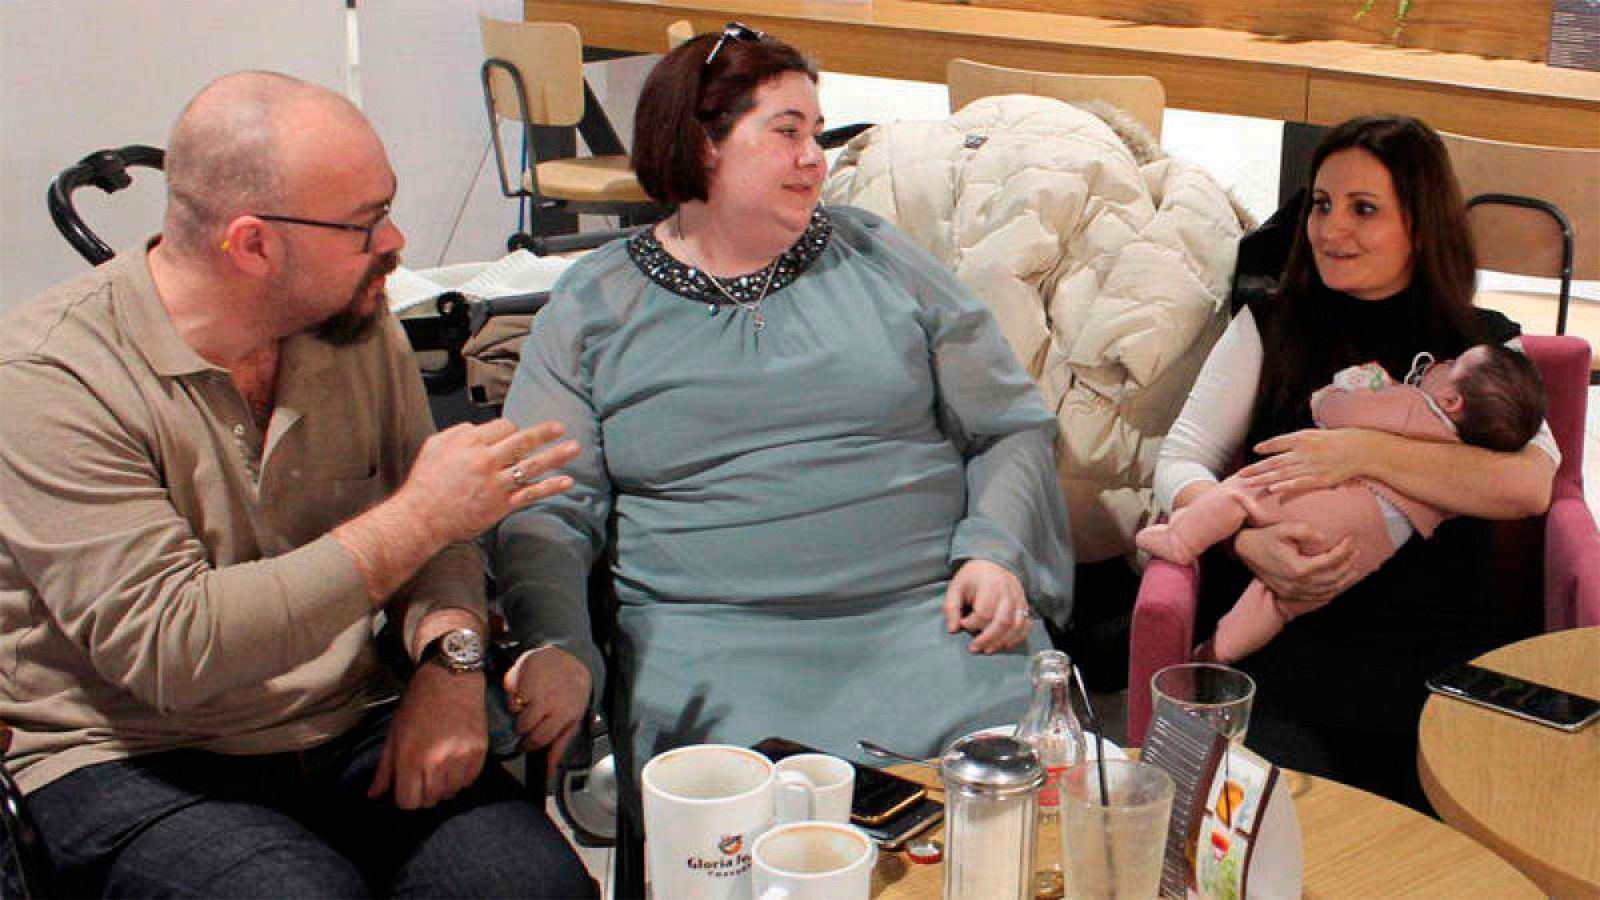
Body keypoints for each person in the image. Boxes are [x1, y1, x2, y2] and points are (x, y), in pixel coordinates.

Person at [0, 72, 595, 898]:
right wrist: (420, 518)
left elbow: (440, 529)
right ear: (252, 245)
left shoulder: (352, 323)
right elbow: (177, 649)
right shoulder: (50, 378)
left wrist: (451, 663)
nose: (395, 239)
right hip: (133, 748)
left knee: (530, 886)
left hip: (341, 718)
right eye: (364, 222)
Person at [494, 25, 1074, 788]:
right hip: (713, 645)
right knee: (761, 820)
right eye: (787, 132)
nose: (815, 158)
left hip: (931, 621)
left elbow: (1010, 426)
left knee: (1018, 805)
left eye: (817, 134)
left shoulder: (879, 256)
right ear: (702, 144)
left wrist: (995, 552)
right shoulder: (594, 304)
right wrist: (559, 645)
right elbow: (544, 504)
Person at [1152, 115, 1559, 810]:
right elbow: (1182, 458)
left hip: (1439, 651)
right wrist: (1246, 540)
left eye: (1363, 209)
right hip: (1289, 640)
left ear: (1421, 226)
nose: (1330, 229)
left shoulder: (1481, 347)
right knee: (1274, 831)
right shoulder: (1270, 323)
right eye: (1321, 204)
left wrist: (1361, 451)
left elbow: (1530, 484)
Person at [1140, 343, 1545, 662]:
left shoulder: (1413, 404)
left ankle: (1182, 538)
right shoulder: (1472, 451)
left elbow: (1338, 413)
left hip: (1320, 513)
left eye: (1452, 364)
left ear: (1452, 401)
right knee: (1278, 605)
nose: (1442, 362)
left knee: (1242, 493)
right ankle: (1217, 654)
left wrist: (1338, 391)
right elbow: (1185, 455)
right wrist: (1243, 543)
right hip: (1362, 552)